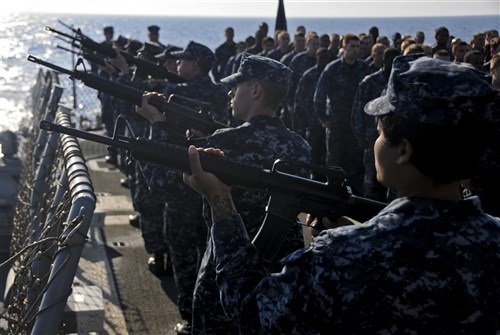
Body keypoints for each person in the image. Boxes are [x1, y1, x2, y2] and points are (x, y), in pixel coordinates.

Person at [183, 54, 500, 333]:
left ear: (403, 150)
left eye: (379, 132)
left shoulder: (346, 255)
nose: (376, 142)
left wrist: (220, 204)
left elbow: (252, 312)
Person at [187, 54, 310, 334]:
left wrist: (160, 124)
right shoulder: (301, 147)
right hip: (281, 276)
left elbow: (160, 188)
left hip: (227, 277)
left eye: (237, 85)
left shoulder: (223, 141)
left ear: (256, 90)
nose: (230, 93)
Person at [314, 33, 371, 195]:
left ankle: (354, 205)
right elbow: (319, 96)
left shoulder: (364, 69)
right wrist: (323, 119)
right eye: (352, 46)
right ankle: (331, 199)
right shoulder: (332, 69)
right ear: (344, 48)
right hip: (336, 126)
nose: (355, 50)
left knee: (355, 167)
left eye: (358, 47)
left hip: (356, 127)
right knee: (334, 165)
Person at [351, 47, 400, 201]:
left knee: (390, 179)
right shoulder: (369, 81)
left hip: (392, 141)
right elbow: (358, 109)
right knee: (370, 178)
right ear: (383, 61)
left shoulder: (398, 84)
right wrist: (360, 136)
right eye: (390, 61)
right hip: (370, 138)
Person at [294, 48, 332, 180]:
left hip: (329, 123)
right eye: (322, 58)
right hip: (312, 123)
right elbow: (299, 99)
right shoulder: (309, 75)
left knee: (327, 155)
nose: (324, 61)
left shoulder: (330, 74)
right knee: (313, 154)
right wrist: (302, 121)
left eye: (327, 58)